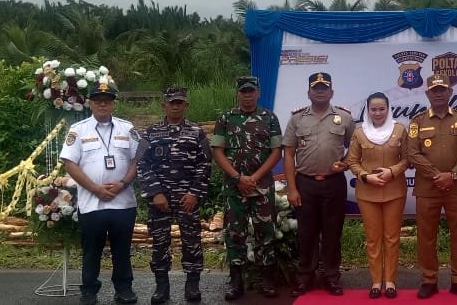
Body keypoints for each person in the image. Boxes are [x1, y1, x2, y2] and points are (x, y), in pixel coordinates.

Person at [60, 76, 139, 305]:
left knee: (122, 250)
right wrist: (95, 188)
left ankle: (124, 289)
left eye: (107, 100)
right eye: (98, 100)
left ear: (113, 103)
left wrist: (122, 184)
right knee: (91, 250)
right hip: (92, 203)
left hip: (123, 202)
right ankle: (89, 290)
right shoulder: (78, 130)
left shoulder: (127, 128)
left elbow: (137, 160)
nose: (102, 103)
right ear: (90, 103)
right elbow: (69, 163)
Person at [137, 86, 212, 304]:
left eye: (180, 102)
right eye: (172, 103)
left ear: (186, 105)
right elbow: (142, 163)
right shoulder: (151, 133)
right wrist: (155, 193)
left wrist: (194, 193)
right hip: (160, 199)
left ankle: (192, 284)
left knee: (192, 240)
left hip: (188, 198)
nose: (176, 106)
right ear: (164, 105)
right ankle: (162, 286)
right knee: (160, 241)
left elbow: (205, 163)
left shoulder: (196, 132)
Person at [282, 72, 355, 297]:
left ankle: (331, 276)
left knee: (333, 233)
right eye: (316, 88)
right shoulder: (297, 119)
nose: (320, 91)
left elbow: (356, 147)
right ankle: (305, 276)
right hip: (306, 183)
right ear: (309, 92)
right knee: (306, 233)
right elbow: (289, 154)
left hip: (334, 183)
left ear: (331, 92)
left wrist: (345, 163)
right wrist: (292, 189)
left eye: (324, 88)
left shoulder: (345, 117)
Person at [405, 73, 457, 300]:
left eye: (442, 90)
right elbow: (412, 153)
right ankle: (429, 280)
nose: (438, 94)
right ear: (427, 94)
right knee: (426, 236)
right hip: (428, 189)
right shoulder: (417, 121)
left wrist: (452, 175)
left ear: (450, 92)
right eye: (434, 91)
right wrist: (437, 175)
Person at [211, 76, 283, 300]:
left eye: (251, 91)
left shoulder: (269, 118)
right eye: (243, 91)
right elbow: (217, 151)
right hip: (234, 187)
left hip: (262, 187)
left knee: (266, 233)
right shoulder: (226, 118)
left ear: (258, 93)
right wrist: (238, 177)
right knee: (235, 234)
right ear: (238, 93)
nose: (247, 95)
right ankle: (236, 282)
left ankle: (266, 280)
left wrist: (254, 178)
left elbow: (276, 152)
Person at [344, 92, 408, 299]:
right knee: (373, 239)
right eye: (374, 109)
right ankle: (375, 281)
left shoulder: (399, 129)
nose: (378, 113)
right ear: (368, 110)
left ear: (388, 109)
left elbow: (408, 159)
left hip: (394, 191)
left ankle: (390, 281)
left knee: (392, 238)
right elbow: (352, 161)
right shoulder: (359, 132)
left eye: (382, 109)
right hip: (367, 193)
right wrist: (365, 176)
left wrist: (392, 171)